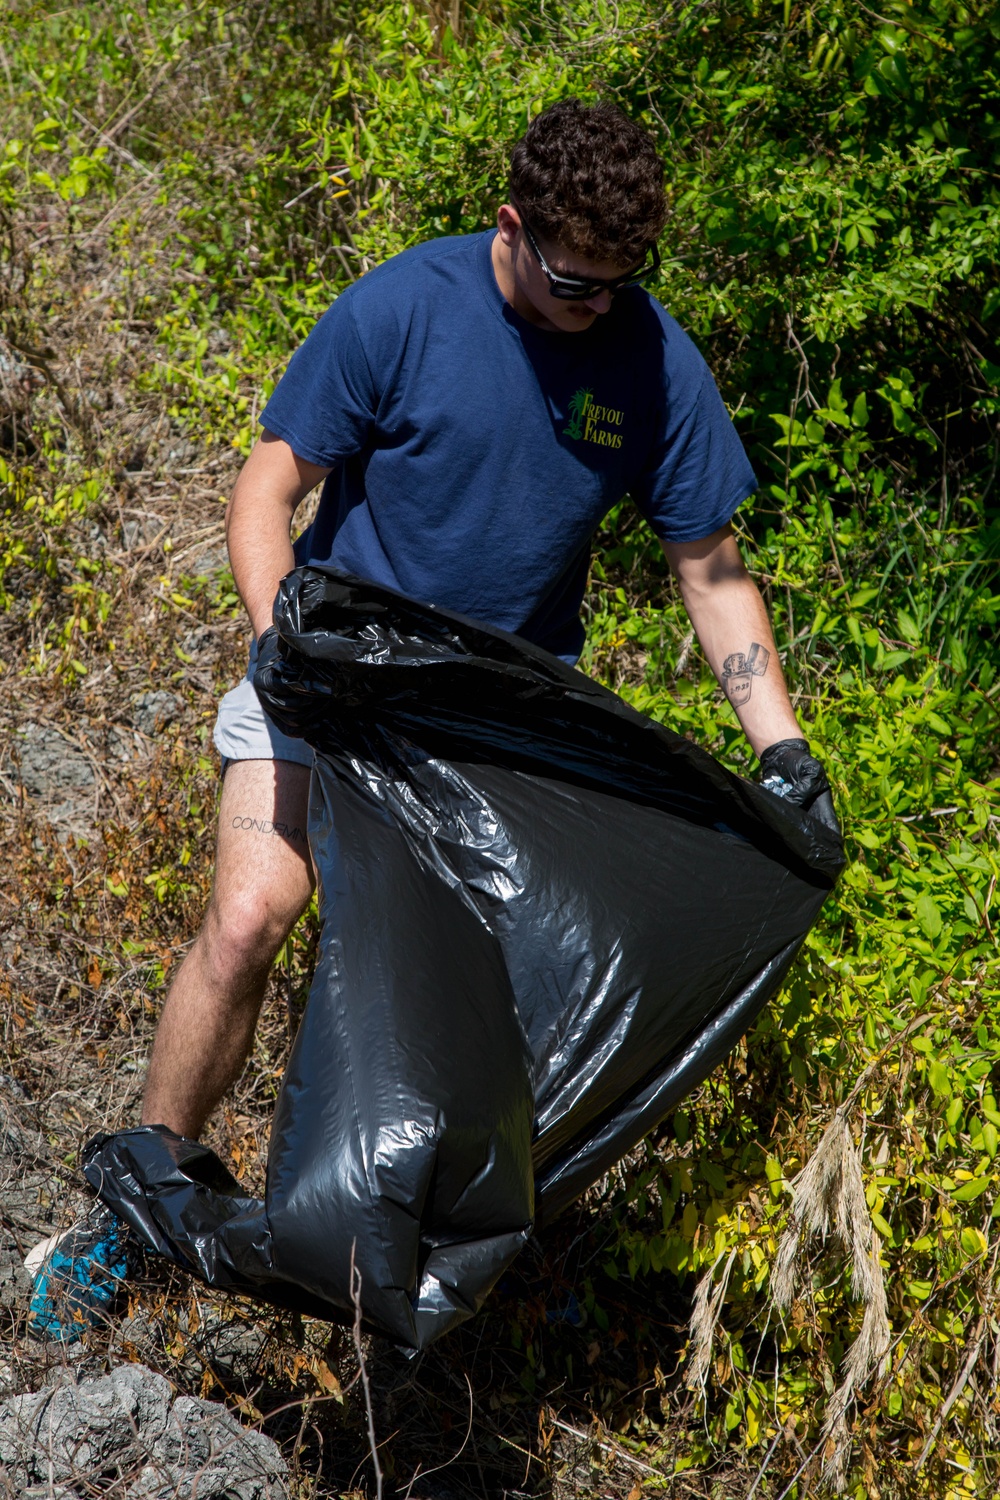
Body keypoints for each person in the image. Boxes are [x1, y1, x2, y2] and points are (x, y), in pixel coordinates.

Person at [29, 98, 835, 1337]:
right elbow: (267, 487)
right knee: (248, 920)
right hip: (328, 678)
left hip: (488, 730)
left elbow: (710, 566)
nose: (595, 306)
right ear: (508, 226)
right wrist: (276, 637)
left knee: (497, 1000)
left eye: (621, 283)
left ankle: (450, 1268)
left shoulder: (650, 358)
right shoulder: (405, 308)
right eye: (571, 280)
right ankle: (129, 1208)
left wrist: (780, 749)